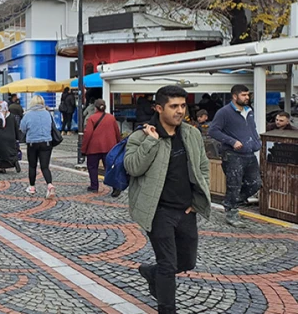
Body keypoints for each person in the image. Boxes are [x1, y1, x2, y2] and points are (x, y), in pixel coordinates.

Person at [124, 86, 212, 314]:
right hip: (158, 210)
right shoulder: (139, 136)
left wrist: (197, 200)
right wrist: (150, 142)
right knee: (167, 264)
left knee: (187, 262)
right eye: (174, 106)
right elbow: (132, 167)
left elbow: (203, 166)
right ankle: (166, 308)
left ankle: (151, 273)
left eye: (183, 105)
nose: (180, 111)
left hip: (186, 210)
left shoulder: (191, 134)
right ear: (159, 108)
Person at [208, 84, 262, 228]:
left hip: (249, 153)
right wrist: (232, 142)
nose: (247, 97)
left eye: (247, 95)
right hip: (232, 154)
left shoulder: (249, 111)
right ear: (234, 96)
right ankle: (232, 212)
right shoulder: (224, 112)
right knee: (234, 184)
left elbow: (252, 128)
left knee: (255, 183)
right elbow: (213, 131)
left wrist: (257, 142)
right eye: (243, 95)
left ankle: (230, 203)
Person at [19, 95, 56, 199]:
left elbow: (22, 128)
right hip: (46, 142)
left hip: (32, 143)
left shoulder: (28, 114)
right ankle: (49, 184)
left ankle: (32, 187)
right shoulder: (47, 114)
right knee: (45, 166)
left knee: (32, 165)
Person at [82, 99, 121, 193]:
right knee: (109, 168)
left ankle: (94, 186)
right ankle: (115, 187)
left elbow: (88, 134)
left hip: (94, 147)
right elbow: (117, 132)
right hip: (108, 147)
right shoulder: (111, 118)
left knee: (92, 167)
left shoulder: (92, 118)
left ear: (95, 108)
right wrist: (118, 144)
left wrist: (83, 149)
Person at [0, 101, 21, 174]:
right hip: (11, 137)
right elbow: (16, 128)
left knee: (1, 154)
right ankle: (14, 161)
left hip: (1, 139)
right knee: (11, 152)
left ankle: (2, 167)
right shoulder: (12, 116)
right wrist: (17, 138)